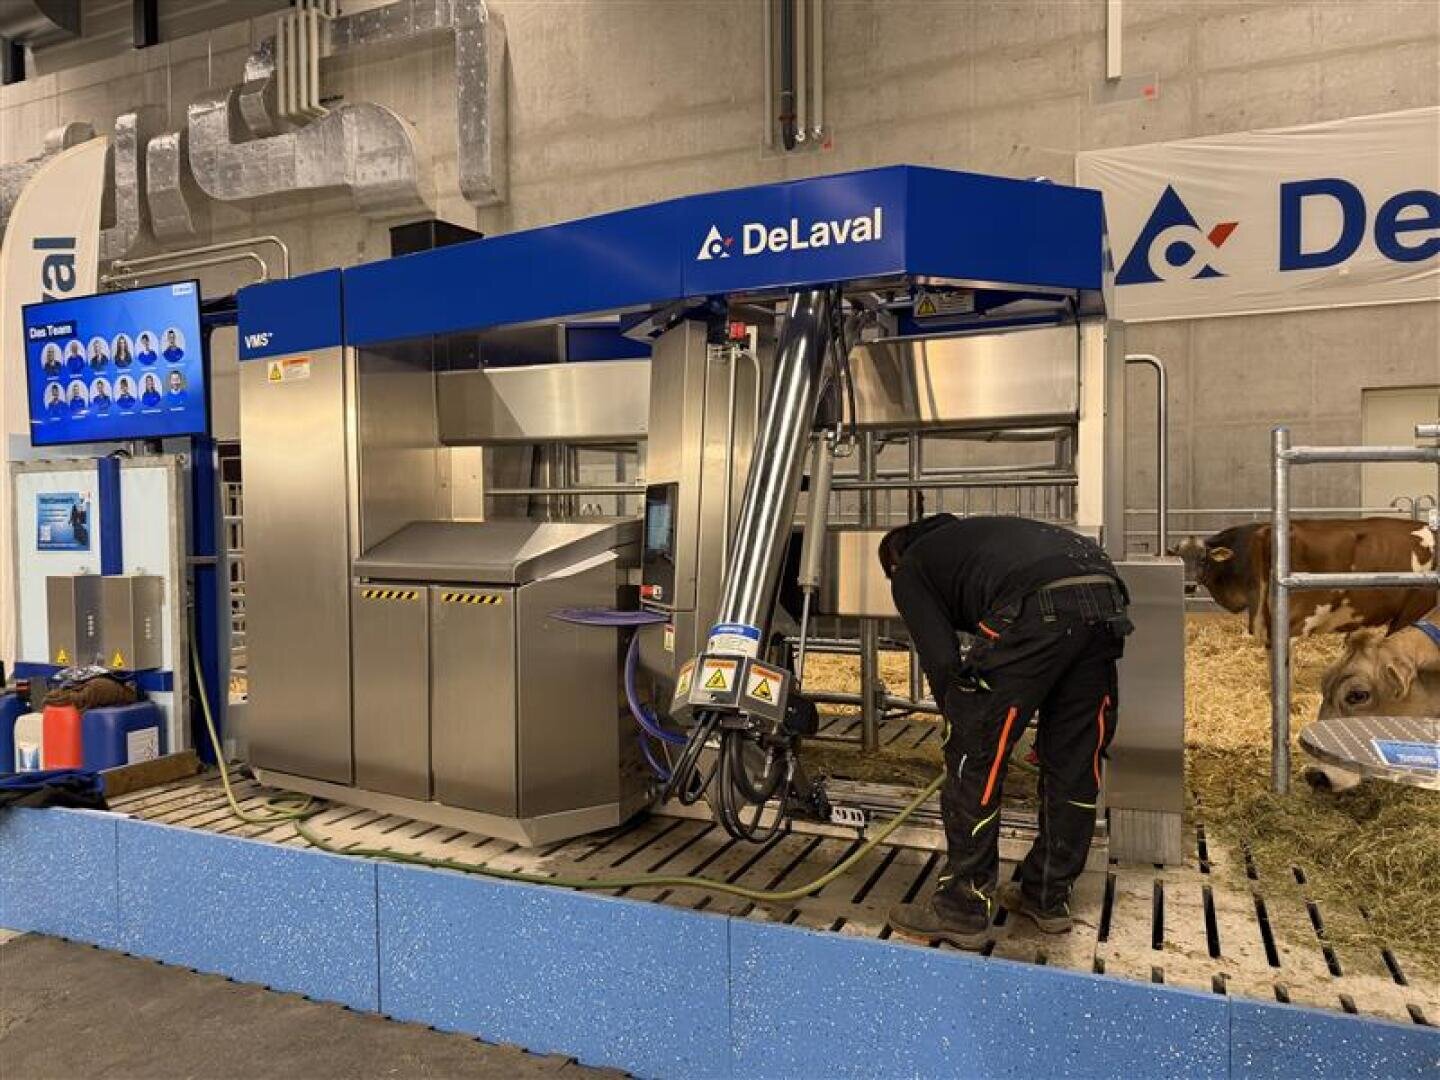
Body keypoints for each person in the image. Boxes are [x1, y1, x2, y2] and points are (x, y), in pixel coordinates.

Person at [879, 514, 1132, 949]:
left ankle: (961, 906)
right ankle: (1047, 896)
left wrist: (965, 725)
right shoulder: (980, 541)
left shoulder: (911, 566)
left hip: (1036, 603)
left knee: (975, 755)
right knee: (1075, 757)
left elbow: (942, 664)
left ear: (894, 560)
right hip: (1104, 595)